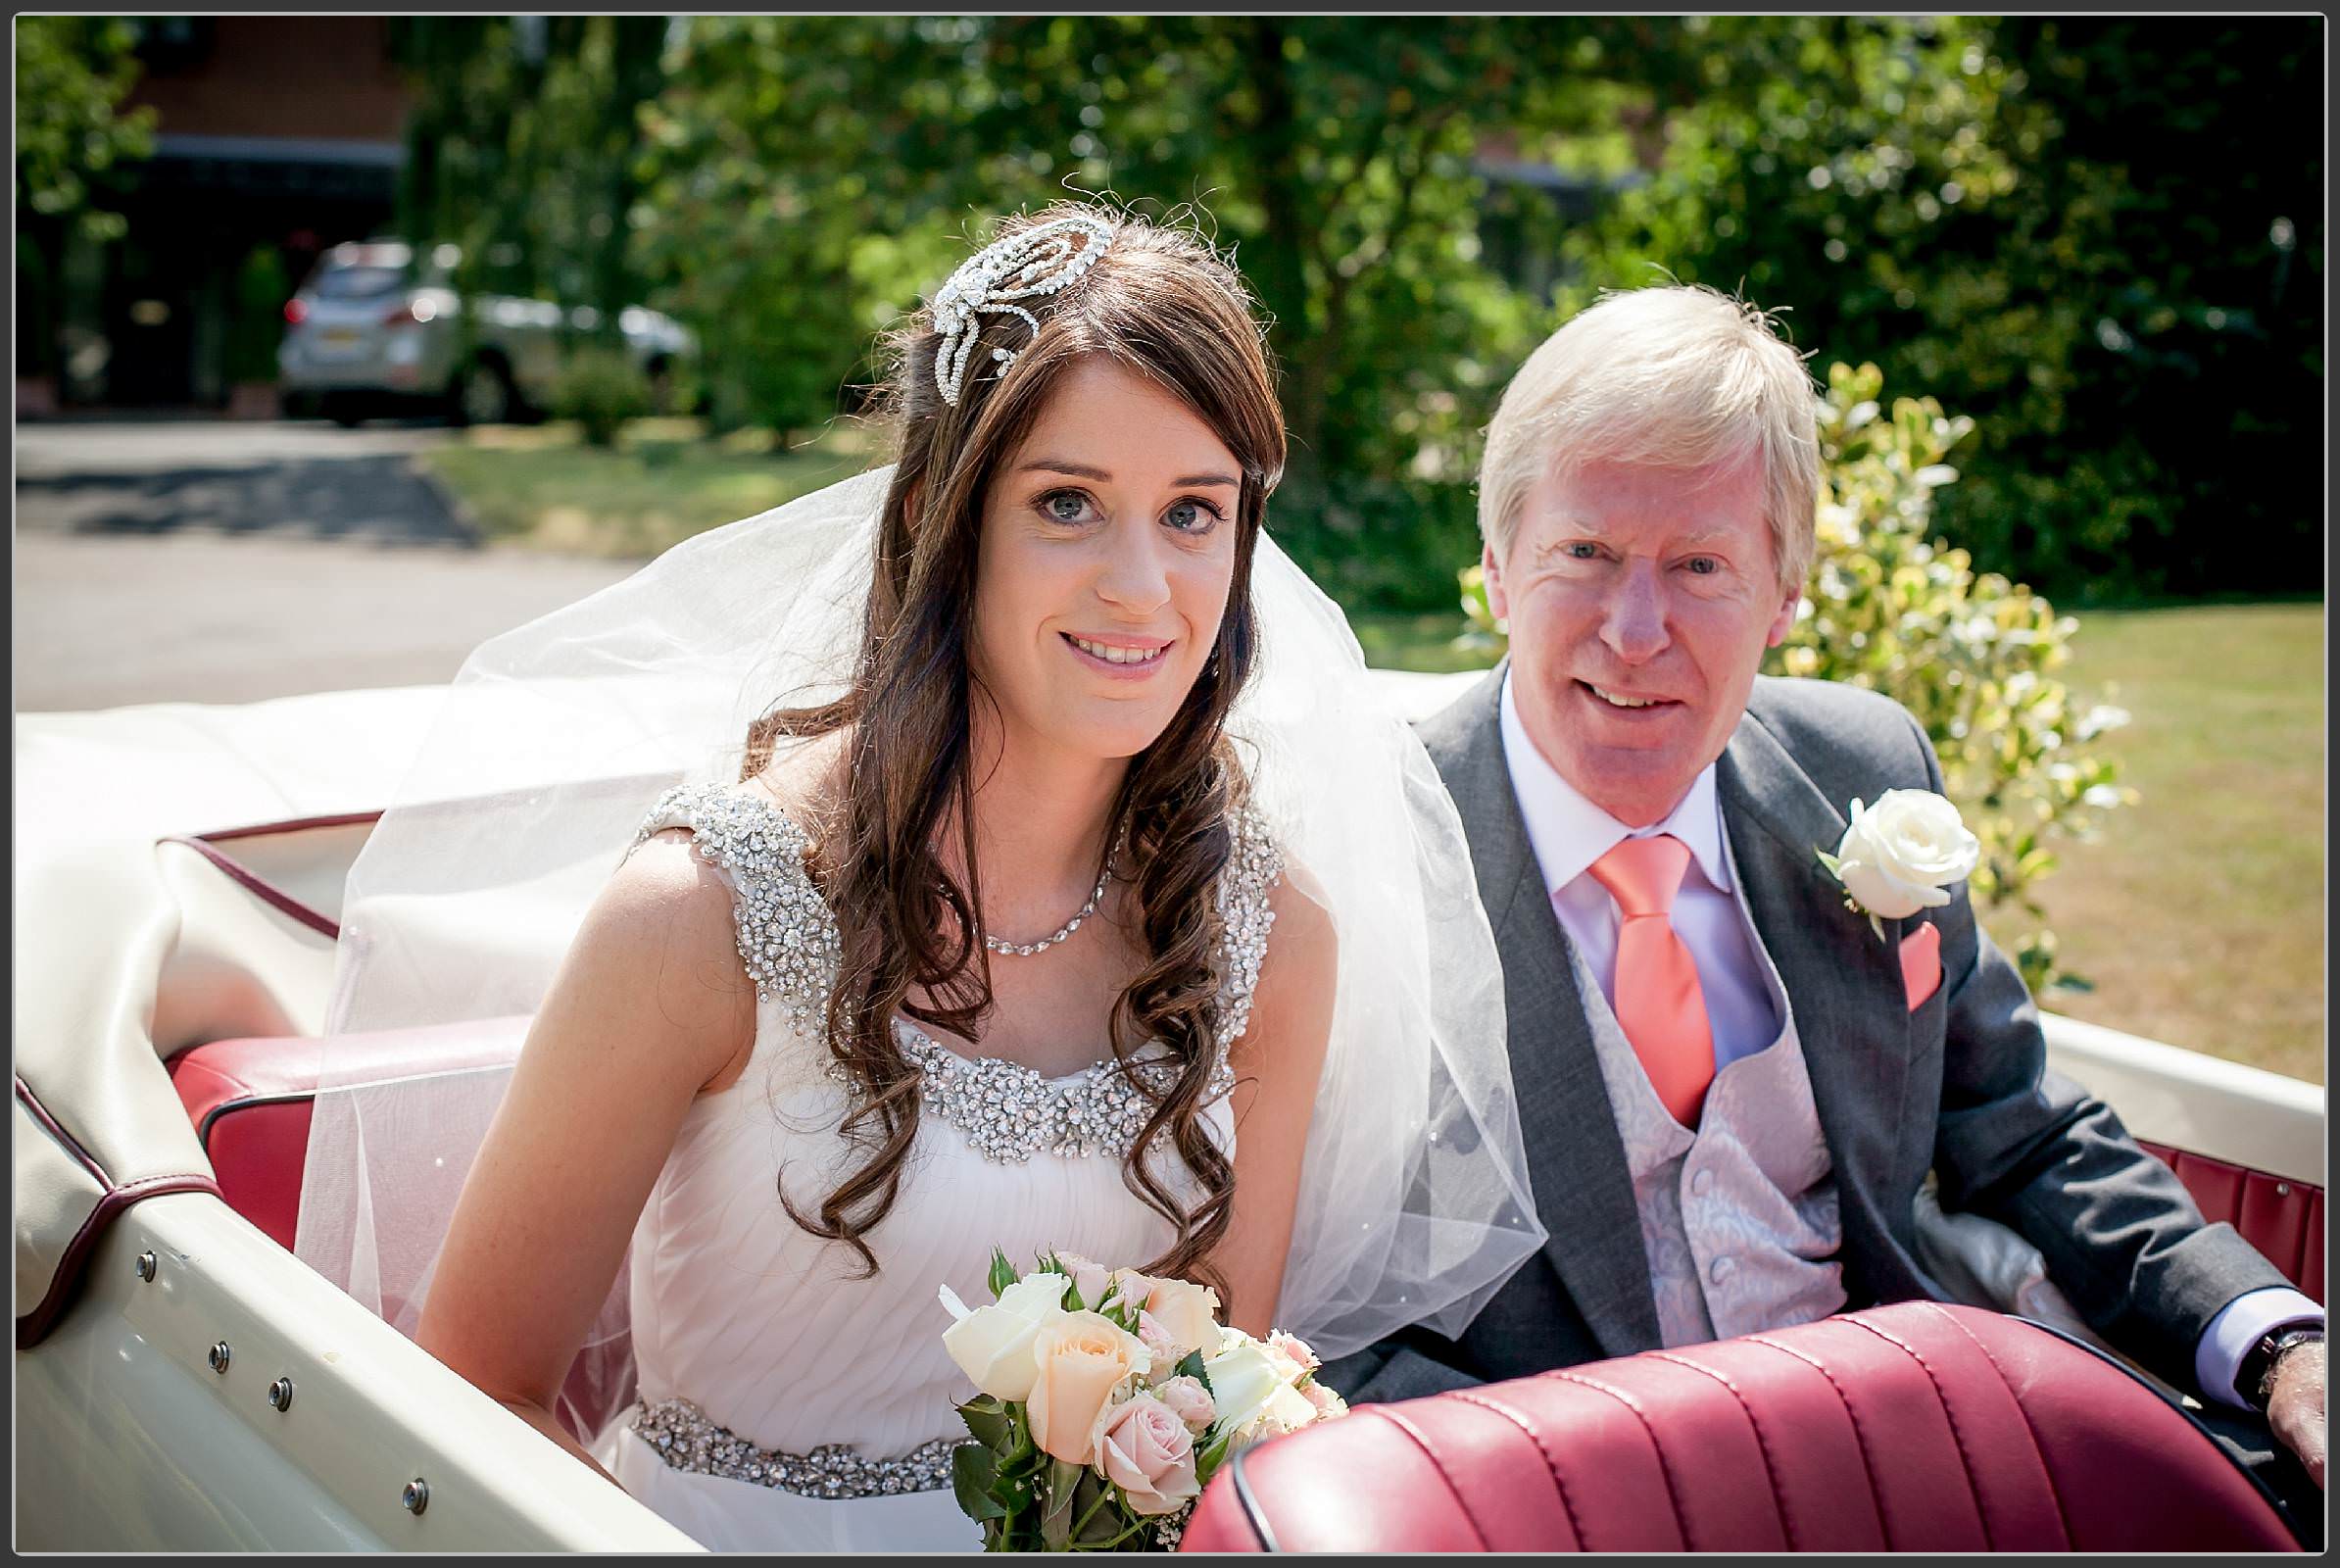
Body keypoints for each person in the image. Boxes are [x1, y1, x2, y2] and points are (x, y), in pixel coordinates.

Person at [294, 205, 1541, 1551]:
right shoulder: (702, 916)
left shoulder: (1265, 933)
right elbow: (478, 1388)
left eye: (1196, 513)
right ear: (945, 527)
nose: (1145, 587)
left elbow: (1203, 1414)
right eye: (1068, 503)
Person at [1319, 283, 2325, 1538]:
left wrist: (2280, 1341)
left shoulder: (1862, 770)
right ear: (1497, 570)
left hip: (1916, 1468)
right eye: (1585, 554)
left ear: (1785, 594)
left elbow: (2020, 1136)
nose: (1637, 633)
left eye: (1701, 566)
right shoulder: (1363, 865)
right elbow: (1330, 1328)